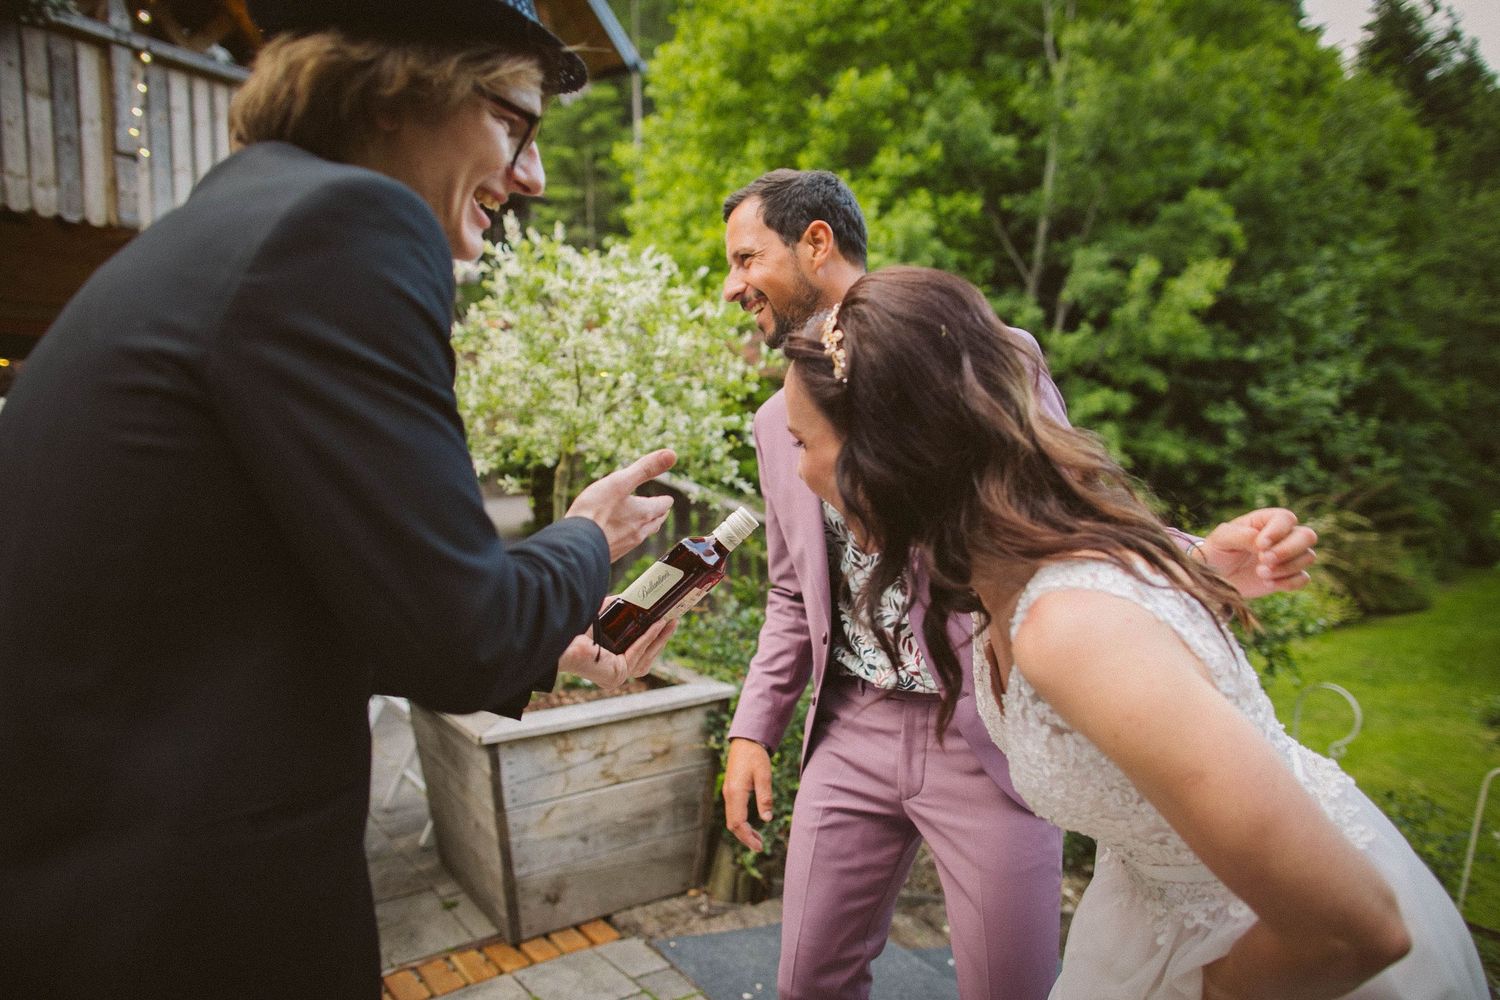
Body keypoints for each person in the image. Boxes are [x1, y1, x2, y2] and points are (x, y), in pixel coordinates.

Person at [0, 1, 677, 996]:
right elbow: (461, 636)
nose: (531, 176)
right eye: (517, 122)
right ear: (404, 86)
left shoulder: (228, 222)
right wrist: (588, 537)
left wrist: (555, 641)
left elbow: (232, 603)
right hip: (184, 921)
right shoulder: (346, 223)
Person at [778, 264, 1487, 1000]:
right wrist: (1203, 566)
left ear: (888, 455)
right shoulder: (1004, 574)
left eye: (805, 444)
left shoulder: (1070, 631)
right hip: (1153, 921)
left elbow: (1354, 931)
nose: (799, 474)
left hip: (1282, 959)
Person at [718, 170, 1321, 1000]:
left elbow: (1058, 511)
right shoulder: (773, 424)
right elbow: (793, 593)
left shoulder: (993, 355)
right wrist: (755, 730)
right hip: (850, 726)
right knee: (805, 983)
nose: (731, 284)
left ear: (815, 243)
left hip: (984, 734)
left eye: (747, 257)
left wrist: (1199, 562)